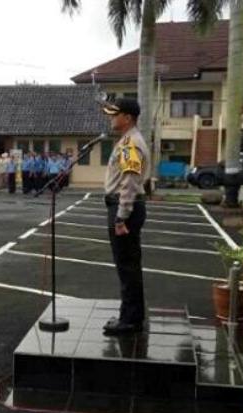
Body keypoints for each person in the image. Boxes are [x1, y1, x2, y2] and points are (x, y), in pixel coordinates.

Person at [101, 98, 150, 335]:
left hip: (124, 210)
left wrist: (121, 217)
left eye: (115, 114)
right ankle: (131, 316)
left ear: (127, 117)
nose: (111, 118)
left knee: (127, 267)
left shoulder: (130, 144)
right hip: (125, 208)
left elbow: (129, 184)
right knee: (129, 266)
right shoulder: (127, 141)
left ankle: (130, 321)